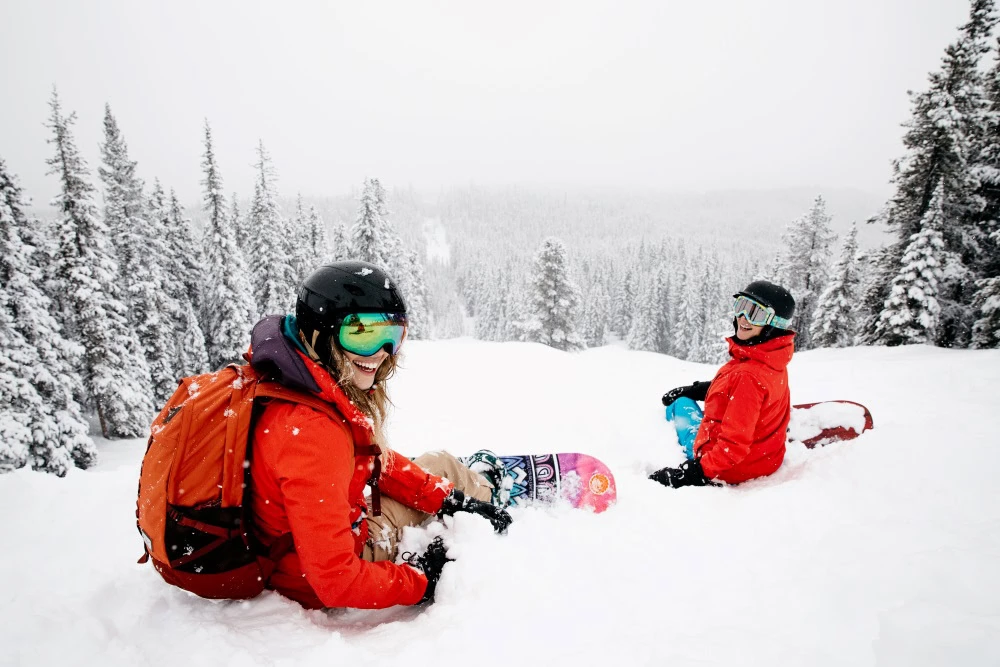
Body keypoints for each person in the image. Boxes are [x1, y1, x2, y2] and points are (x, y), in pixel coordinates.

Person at [247, 260, 512, 609]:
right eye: (363, 333)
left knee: (436, 468)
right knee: (442, 464)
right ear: (321, 332)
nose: (381, 354)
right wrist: (423, 581)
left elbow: (369, 460)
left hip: (296, 548)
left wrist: (445, 499)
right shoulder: (311, 432)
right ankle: (488, 493)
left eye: (393, 336)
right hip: (313, 573)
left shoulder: (291, 377)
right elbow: (336, 581)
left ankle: (465, 494)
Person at [650, 280, 796, 488]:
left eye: (756, 314)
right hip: (765, 459)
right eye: (742, 306)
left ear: (775, 324)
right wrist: (697, 389)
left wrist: (692, 474)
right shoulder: (772, 358)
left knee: (679, 405)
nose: (743, 318)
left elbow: (733, 447)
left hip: (732, 468)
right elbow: (738, 392)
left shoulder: (748, 376)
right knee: (687, 398)